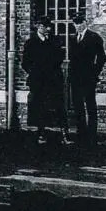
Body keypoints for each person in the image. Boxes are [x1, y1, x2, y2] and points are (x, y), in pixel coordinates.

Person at [20, 15, 67, 145]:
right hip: (38, 81)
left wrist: (52, 70)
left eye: (47, 26)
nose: (46, 29)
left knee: (58, 105)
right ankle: (41, 133)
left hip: (53, 79)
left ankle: (62, 134)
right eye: (43, 26)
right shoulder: (31, 43)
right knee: (39, 107)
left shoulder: (54, 41)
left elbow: (60, 57)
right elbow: (25, 63)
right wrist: (35, 72)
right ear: (38, 27)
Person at [68, 11, 106, 145]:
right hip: (75, 78)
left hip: (88, 78)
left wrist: (94, 73)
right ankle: (81, 133)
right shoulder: (73, 38)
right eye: (75, 23)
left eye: (80, 23)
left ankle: (92, 135)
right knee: (77, 105)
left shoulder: (94, 37)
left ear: (85, 22)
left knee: (90, 105)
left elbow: (101, 58)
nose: (78, 26)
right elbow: (72, 59)